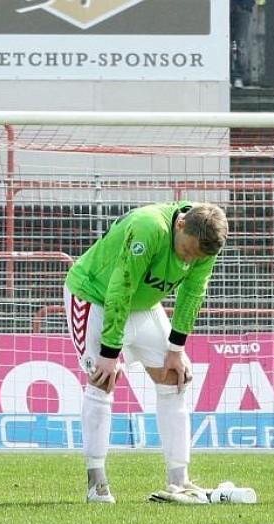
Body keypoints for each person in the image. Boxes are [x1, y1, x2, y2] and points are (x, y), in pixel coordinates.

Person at [64, 201, 228, 504]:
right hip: (95, 297)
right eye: (187, 251)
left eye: (196, 256)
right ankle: (96, 482)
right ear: (180, 225)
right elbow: (121, 285)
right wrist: (110, 352)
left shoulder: (205, 246)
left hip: (143, 305)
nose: (189, 259)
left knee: (176, 376)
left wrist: (176, 349)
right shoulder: (149, 227)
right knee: (102, 379)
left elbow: (193, 292)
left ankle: (179, 480)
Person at [230, 0, 255, 88]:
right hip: (224, 8)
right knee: (225, 44)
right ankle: (231, 77)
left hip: (242, 8)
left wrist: (244, 6)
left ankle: (238, 77)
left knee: (241, 43)